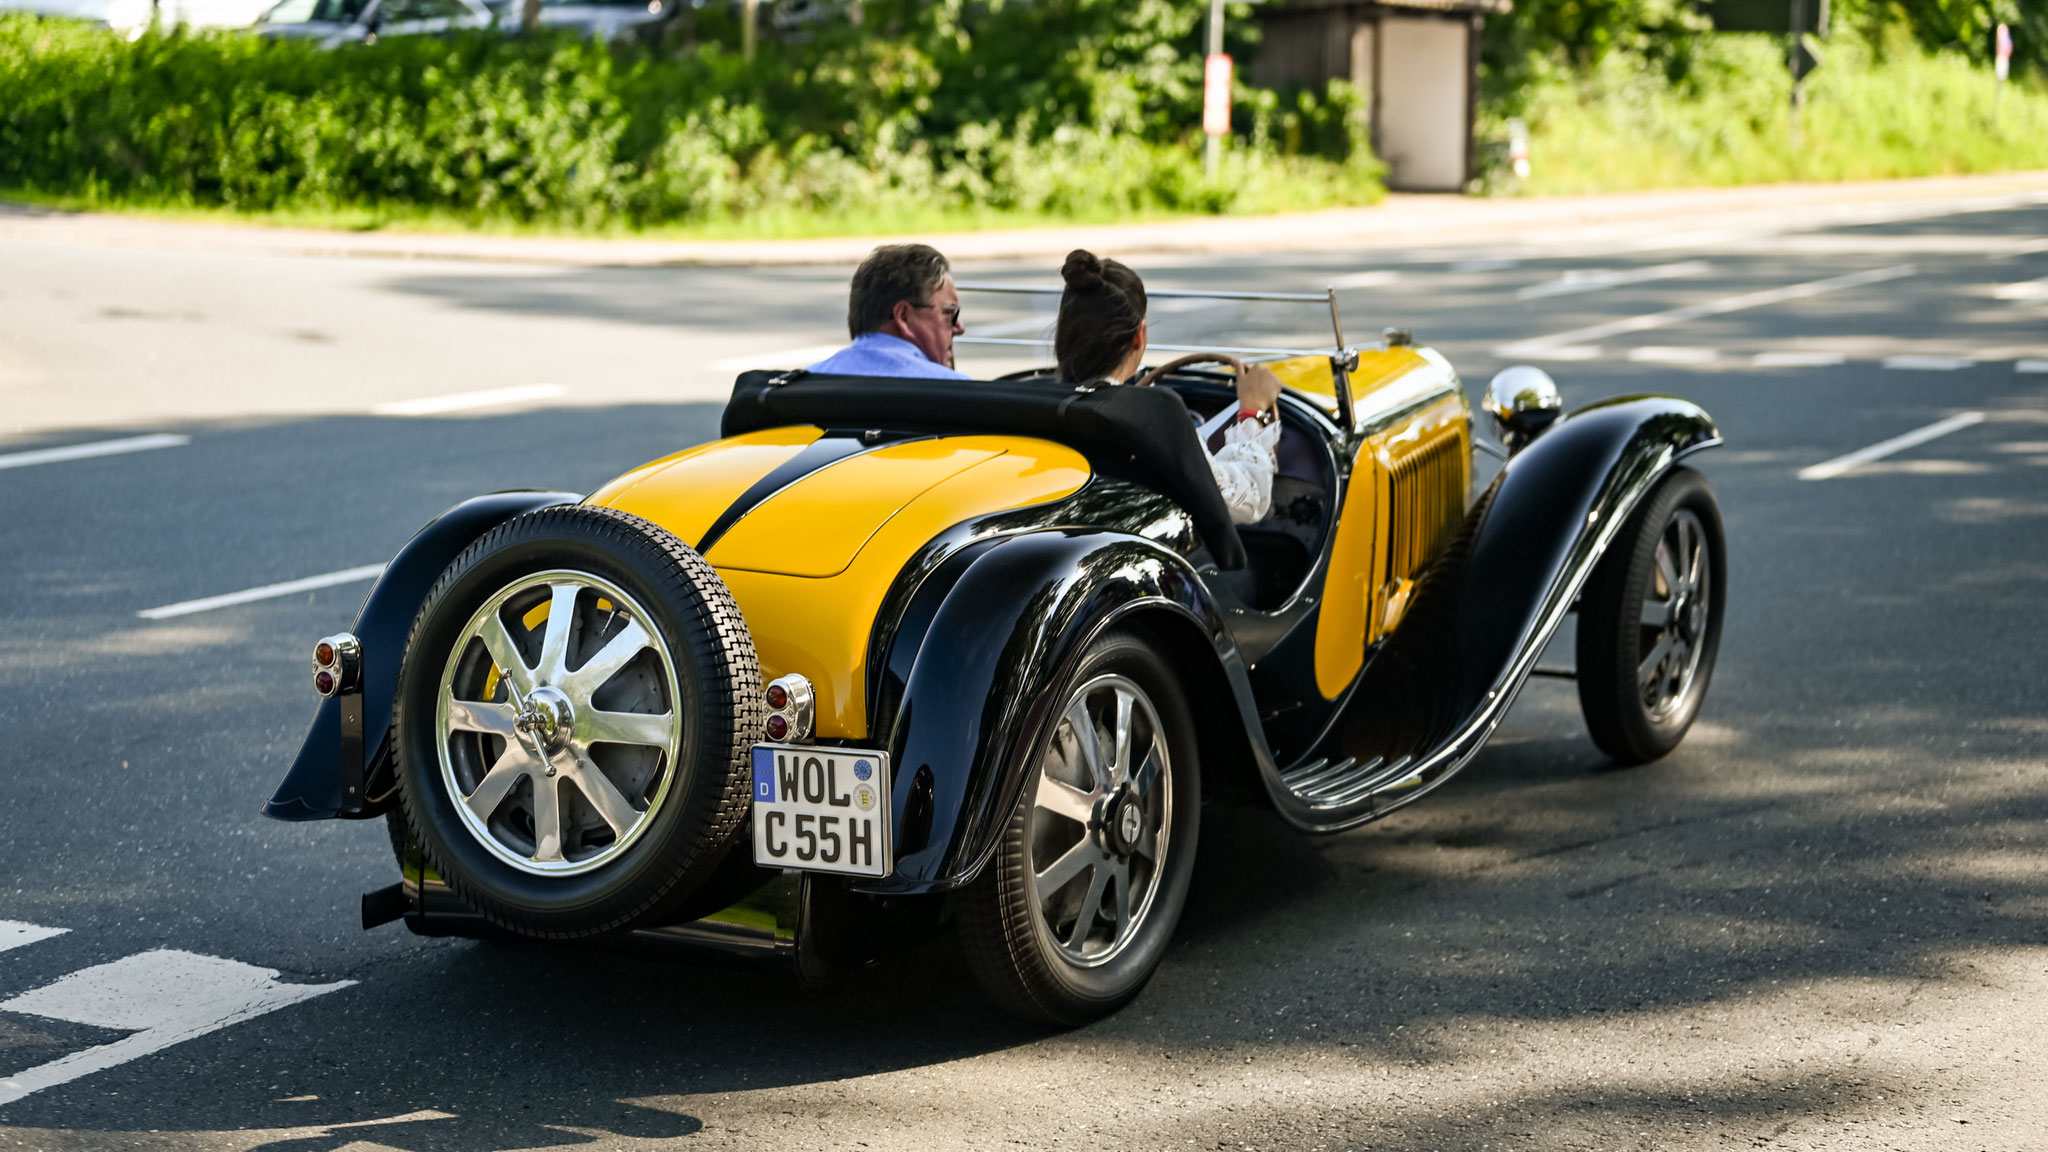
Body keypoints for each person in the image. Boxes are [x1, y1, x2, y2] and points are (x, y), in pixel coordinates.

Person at [1054, 249, 1282, 525]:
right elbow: (1249, 501)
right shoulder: (1154, 420)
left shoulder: (1028, 407)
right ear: (1140, 336)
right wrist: (1251, 412)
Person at [807, 243, 969, 379]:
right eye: (949, 314)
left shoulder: (805, 383)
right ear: (904, 316)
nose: (960, 328)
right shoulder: (956, 390)